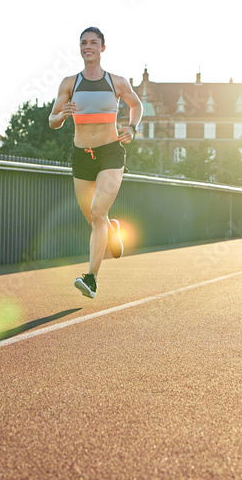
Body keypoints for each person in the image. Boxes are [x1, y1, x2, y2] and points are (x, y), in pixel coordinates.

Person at [49, 26, 142, 299]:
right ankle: (112, 230)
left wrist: (132, 128)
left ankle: (91, 278)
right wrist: (62, 115)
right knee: (93, 216)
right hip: (82, 156)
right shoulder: (69, 83)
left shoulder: (117, 82)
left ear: (102, 48)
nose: (87, 46)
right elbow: (52, 121)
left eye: (93, 43)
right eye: (83, 43)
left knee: (97, 213)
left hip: (111, 152)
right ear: (80, 48)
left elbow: (136, 105)